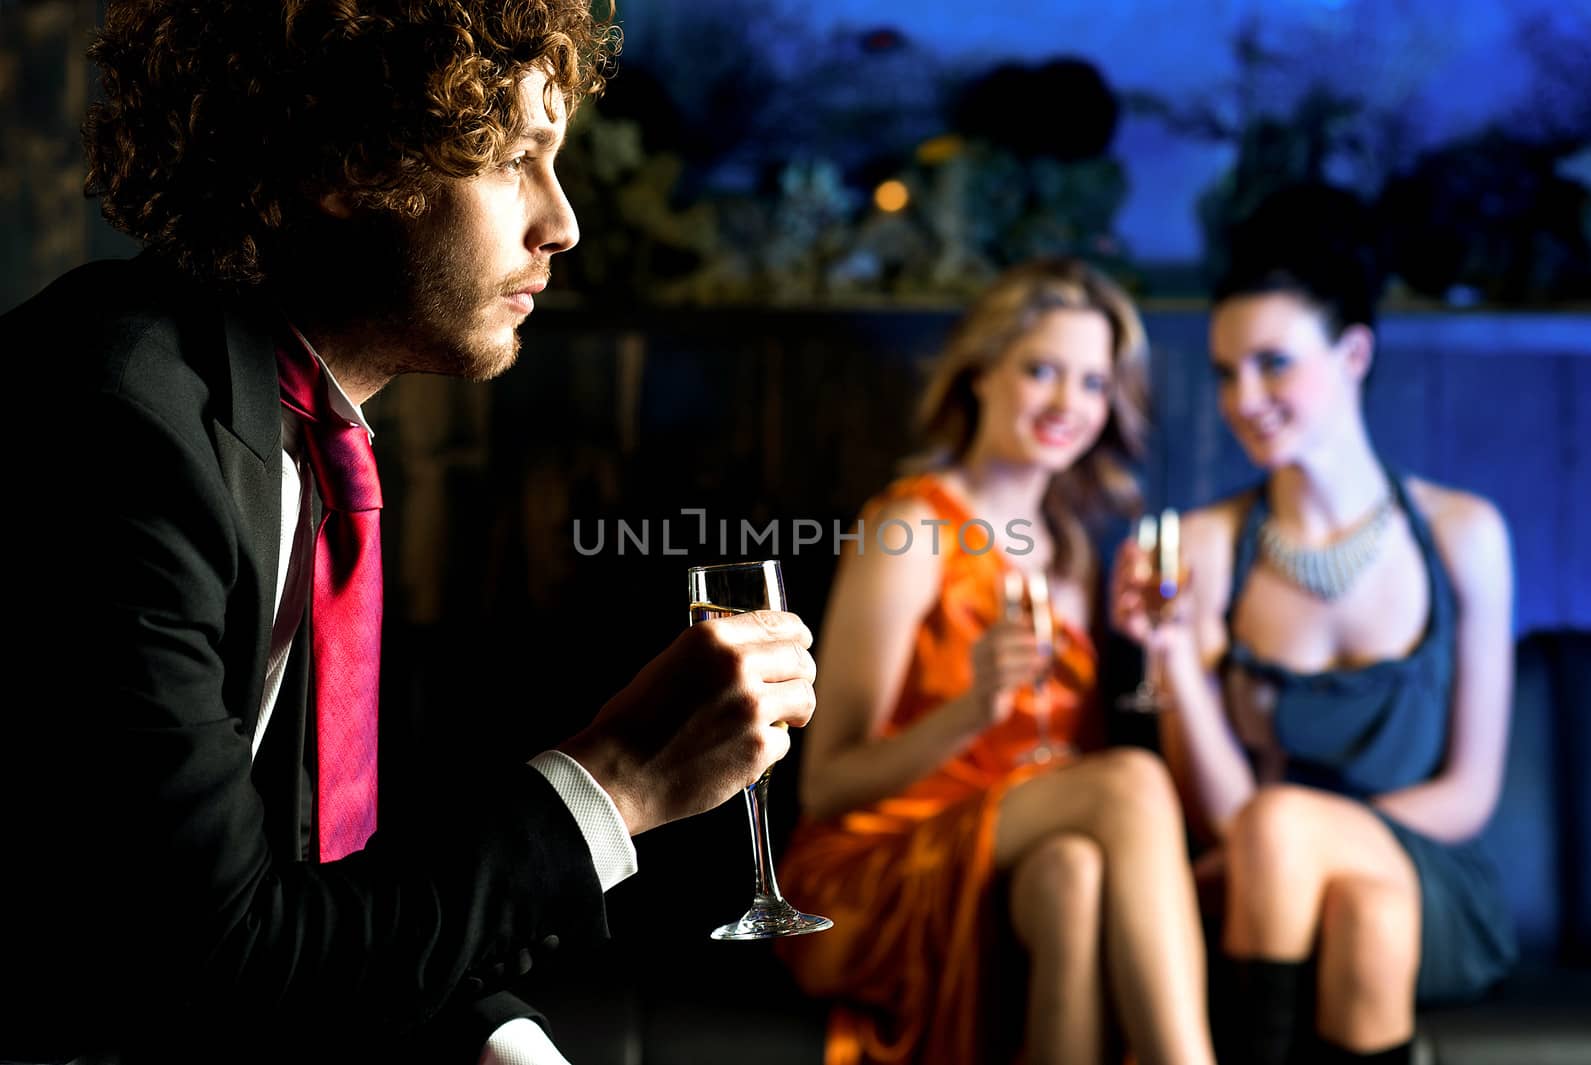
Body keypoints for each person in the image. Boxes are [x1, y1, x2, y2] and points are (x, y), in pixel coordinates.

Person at [0, 2, 816, 1063]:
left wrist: (504, 1044)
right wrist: (617, 778)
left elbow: (324, 888)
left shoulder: (300, 432)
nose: (561, 222)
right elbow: (207, 964)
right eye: (515, 158)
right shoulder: (113, 422)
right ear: (351, 166)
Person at [1111, 184, 1518, 1065]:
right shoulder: (1210, 545)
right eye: (1225, 372)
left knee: (1319, 854)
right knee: (1352, 903)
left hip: (1433, 878)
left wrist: (1304, 836)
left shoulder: (1464, 534)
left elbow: (1469, 794)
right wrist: (1171, 655)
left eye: (1273, 363)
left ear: (1354, 352)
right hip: (1268, 883)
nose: (1243, 397)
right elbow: (1227, 813)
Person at [777, 259, 1218, 1065]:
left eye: (1092, 382)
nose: (1068, 404)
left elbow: (1056, 764)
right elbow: (827, 784)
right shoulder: (911, 528)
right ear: (981, 373)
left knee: (1074, 873)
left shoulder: (1076, 548)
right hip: (874, 865)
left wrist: (1163, 653)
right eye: (1042, 370)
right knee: (1132, 783)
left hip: (1015, 850)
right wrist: (972, 709)